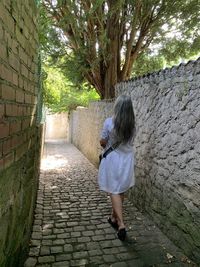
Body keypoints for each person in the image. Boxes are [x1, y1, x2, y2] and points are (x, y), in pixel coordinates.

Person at [98, 94, 136, 241]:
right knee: (120, 190)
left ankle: (121, 224)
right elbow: (130, 143)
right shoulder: (132, 126)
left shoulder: (109, 122)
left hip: (113, 160)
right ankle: (113, 217)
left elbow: (102, 142)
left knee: (113, 190)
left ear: (117, 108)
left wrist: (105, 141)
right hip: (127, 160)